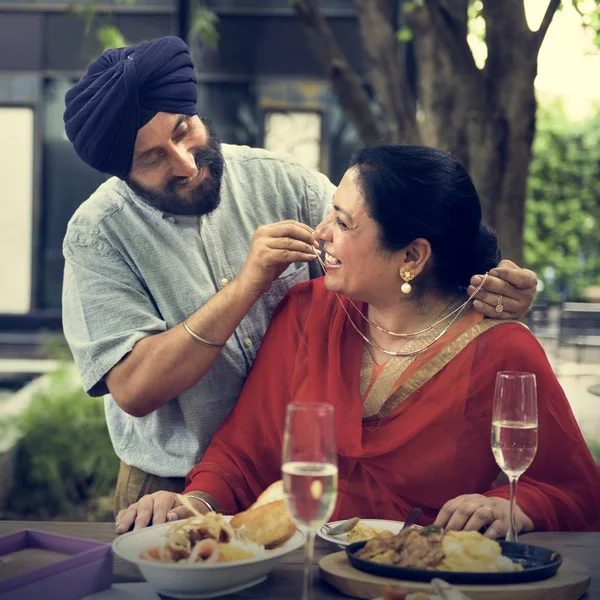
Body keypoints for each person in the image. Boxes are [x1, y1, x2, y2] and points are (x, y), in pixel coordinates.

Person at [61, 35, 538, 514]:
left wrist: (489, 277)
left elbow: (397, 222)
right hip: (173, 486)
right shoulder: (97, 235)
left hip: (292, 484)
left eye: (183, 131)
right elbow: (134, 389)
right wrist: (248, 286)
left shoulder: (279, 179)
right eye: (153, 158)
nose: (184, 162)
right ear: (122, 172)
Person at [115, 145, 600, 537]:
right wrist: (191, 503)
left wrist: (511, 508)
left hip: (421, 582)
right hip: (299, 571)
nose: (321, 233)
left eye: (343, 223)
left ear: (412, 256)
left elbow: (575, 488)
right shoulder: (310, 312)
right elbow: (243, 453)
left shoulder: (502, 349)